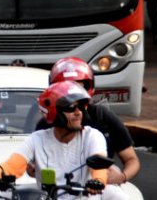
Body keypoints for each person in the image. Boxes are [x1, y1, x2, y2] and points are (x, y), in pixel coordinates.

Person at [0, 81, 128, 200]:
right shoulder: (37, 139)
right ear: (55, 112)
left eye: (80, 107)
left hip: (85, 197)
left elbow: (99, 167)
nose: (78, 113)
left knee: (116, 195)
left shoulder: (92, 136)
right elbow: (12, 166)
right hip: (46, 197)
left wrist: (98, 181)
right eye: (71, 108)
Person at [32, 57, 140, 187]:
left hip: (99, 186)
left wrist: (121, 177)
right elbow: (32, 163)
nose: (77, 113)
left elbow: (131, 159)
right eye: (66, 87)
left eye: (78, 86)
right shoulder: (44, 125)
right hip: (59, 187)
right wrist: (34, 169)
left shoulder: (102, 118)